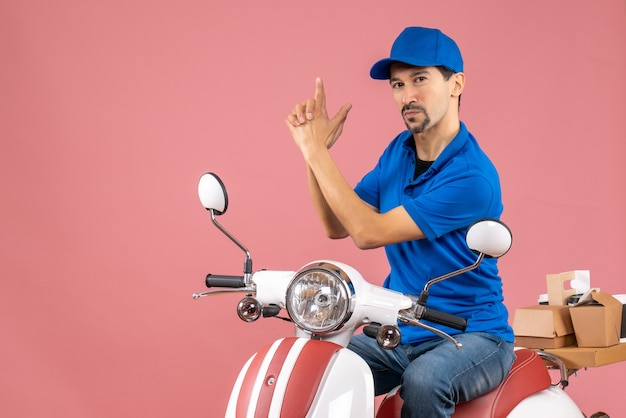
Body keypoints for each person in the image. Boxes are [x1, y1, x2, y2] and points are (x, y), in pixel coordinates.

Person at [285, 26, 515, 418]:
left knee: (425, 381)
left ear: (456, 84)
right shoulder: (398, 153)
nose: (407, 96)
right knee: (319, 366)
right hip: (403, 326)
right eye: (397, 85)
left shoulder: (471, 177)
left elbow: (366, 232)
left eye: (420, 79)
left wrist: (315, 151)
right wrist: (315, 154)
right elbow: (336, 225)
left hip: (472, 334)